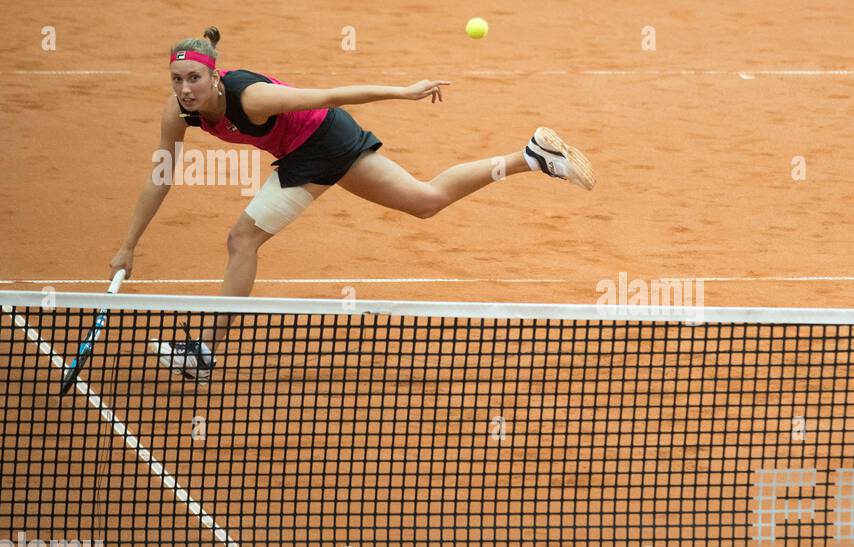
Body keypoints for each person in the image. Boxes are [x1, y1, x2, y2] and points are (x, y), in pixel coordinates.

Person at [110, 27, 595, 380]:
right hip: (308, 149)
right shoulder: (178, 114)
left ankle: (203, 353)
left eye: (193, 78)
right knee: (425, 201)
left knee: (242, 239)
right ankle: (532, 156)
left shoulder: (253, 99)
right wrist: (129, 246)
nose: (184, 89)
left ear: (215, 78)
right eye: (176, 80)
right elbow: (161, 177)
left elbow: (331, 94)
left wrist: (402, 92)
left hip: (324, 140)